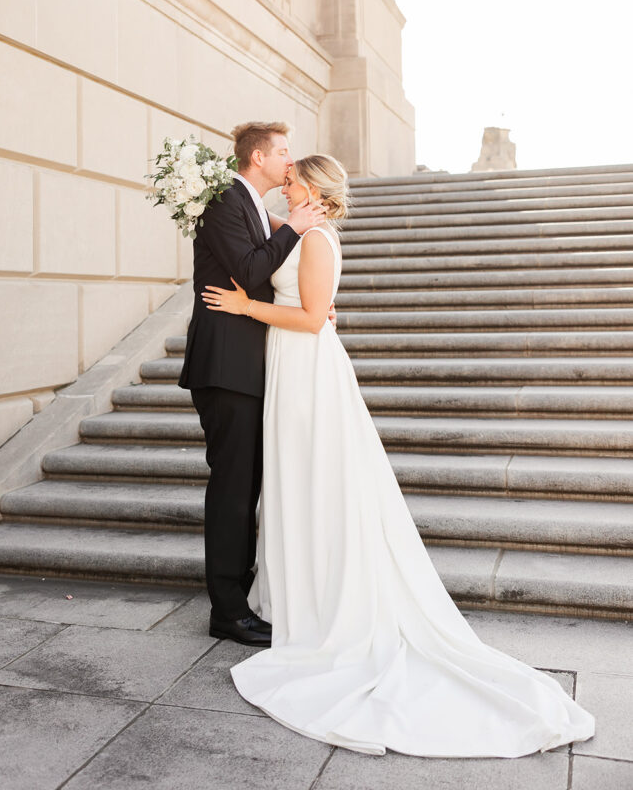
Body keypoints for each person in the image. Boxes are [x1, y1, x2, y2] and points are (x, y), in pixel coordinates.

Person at [200, 153, 596, 758]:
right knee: (297, 482)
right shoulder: (304, 236)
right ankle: (299, 588)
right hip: (288, 367)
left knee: (317, 481)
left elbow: (309, 319)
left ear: (317, 192)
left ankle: (329, 599)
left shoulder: (320, 240)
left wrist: (247, 307)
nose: (286, 185)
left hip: (307, 371)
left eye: (294, 181)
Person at [179, 121, 327, 648]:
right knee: (233, 489)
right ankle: (228, 610)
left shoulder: (254, 207)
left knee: (248, 488)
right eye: (283, 152)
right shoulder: (223, 200)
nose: (291, 160)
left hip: (252, 366)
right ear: (259, 156)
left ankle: (241, 598)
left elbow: (269, 273)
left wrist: (311, 297)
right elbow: (247, 269)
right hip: (225, 366)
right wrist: (293, 228)